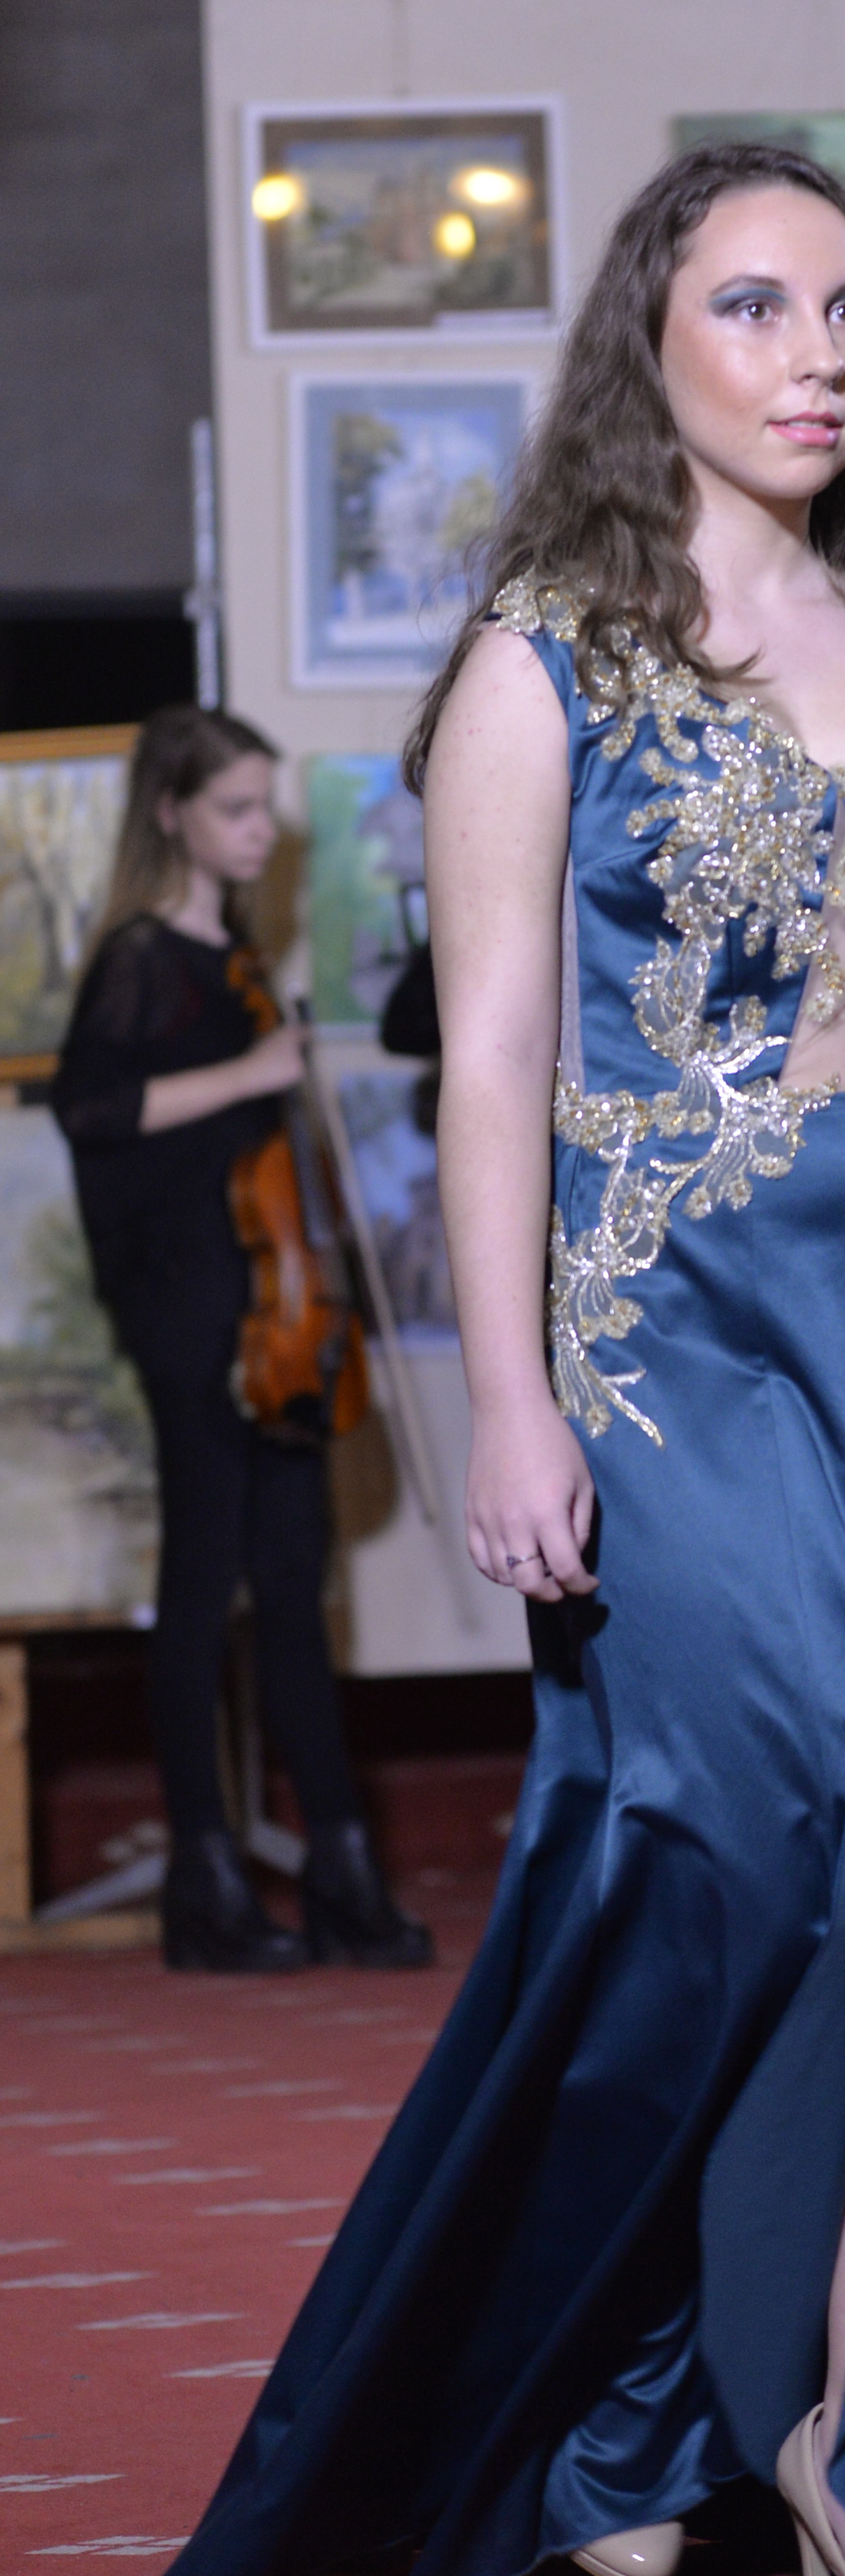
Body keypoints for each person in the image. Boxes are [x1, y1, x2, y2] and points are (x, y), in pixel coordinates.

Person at [157, 144, 845, 2576]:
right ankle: (618, 2392)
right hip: (669, 1307)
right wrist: (507, 1393)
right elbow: (496, 1051)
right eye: (751, 302)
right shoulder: (545, 659)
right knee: (746, 1835)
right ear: (648, 337)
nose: (815, 351)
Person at [51, 707, 431, 1974]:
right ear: (171, 814)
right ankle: (205, 1879)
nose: (263, 831)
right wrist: (254, 1074)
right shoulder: (140, 958)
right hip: (188, 1306)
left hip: (277, 1308)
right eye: (237, 809)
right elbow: (91, 1107)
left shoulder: (241, 963)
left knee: (293, 1581)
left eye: (266, 807)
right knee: (205, 1584)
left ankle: (341, 1866)